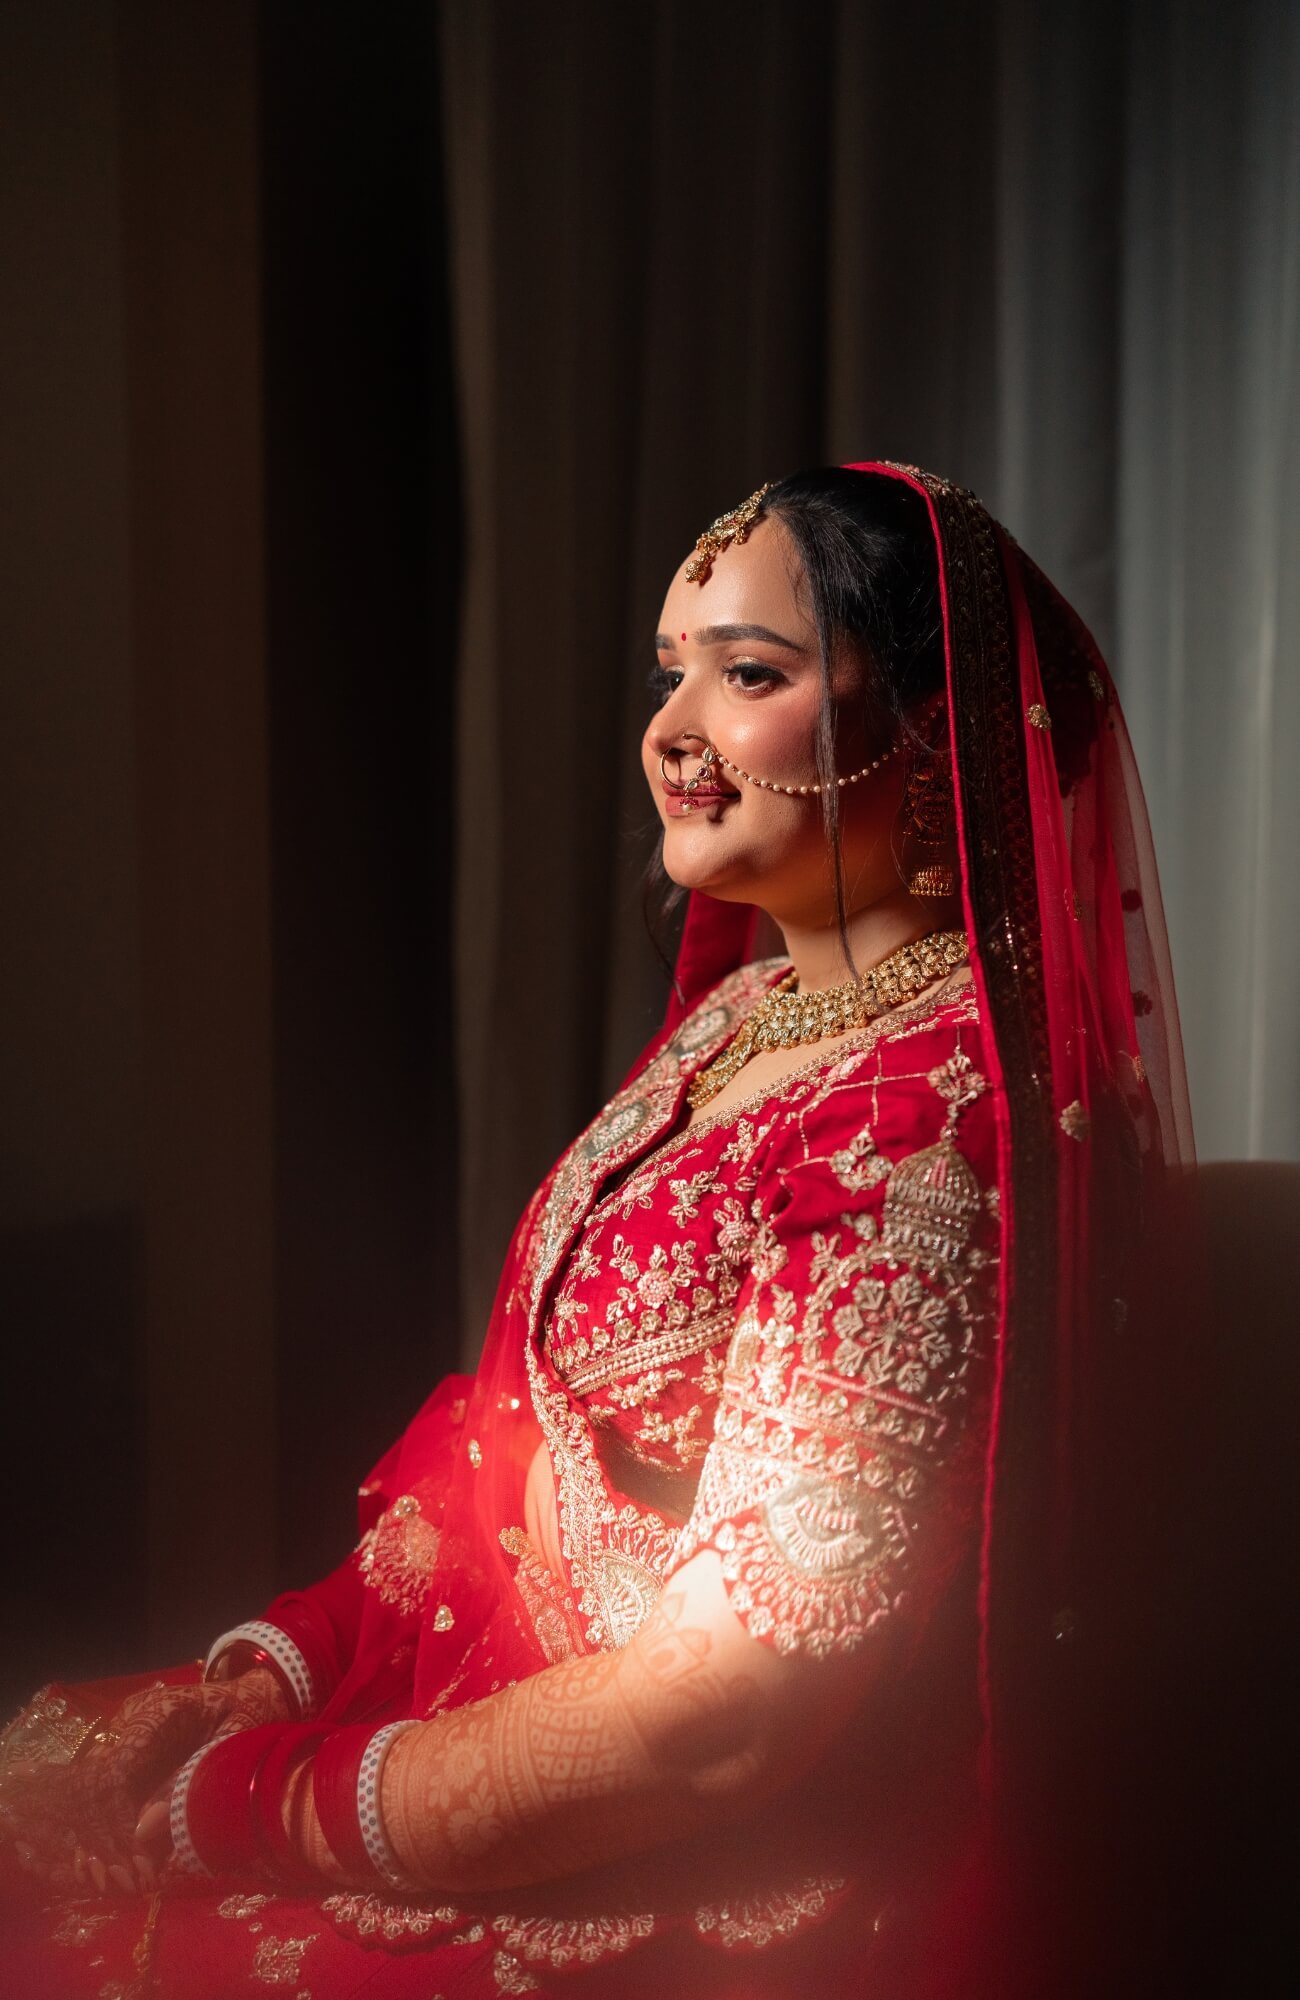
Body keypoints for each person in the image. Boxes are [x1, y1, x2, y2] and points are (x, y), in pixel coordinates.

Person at [0, 463, 1193, 1998]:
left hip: (704, 1869)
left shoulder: (923, 1123)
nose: (671, 733)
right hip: (508, 1740)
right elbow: (513, 1436)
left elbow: (732, 1715)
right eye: (669, 672)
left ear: (931, 721)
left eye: (748, 674)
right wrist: (278, 1671)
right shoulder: (755, 1021)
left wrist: (247, 1808)